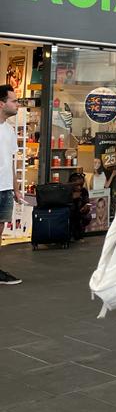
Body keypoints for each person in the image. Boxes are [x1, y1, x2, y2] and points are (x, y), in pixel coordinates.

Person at [0, 84, 22, 284]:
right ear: (1, 103)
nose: (17, 104)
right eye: (14, 100)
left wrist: (15, 188)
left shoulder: (9, 130)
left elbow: (11, 161)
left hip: (5, 189)